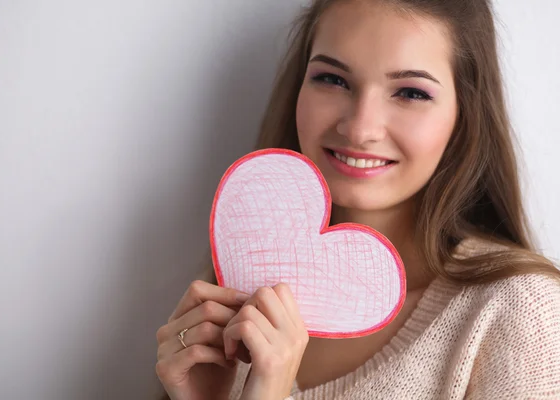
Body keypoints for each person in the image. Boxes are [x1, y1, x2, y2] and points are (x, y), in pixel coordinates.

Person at [156, 0, 560, 398]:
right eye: (333, 79)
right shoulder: (234, 292)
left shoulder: (519, 311)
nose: (360, 128)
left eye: (411, 93)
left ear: (464, 114)